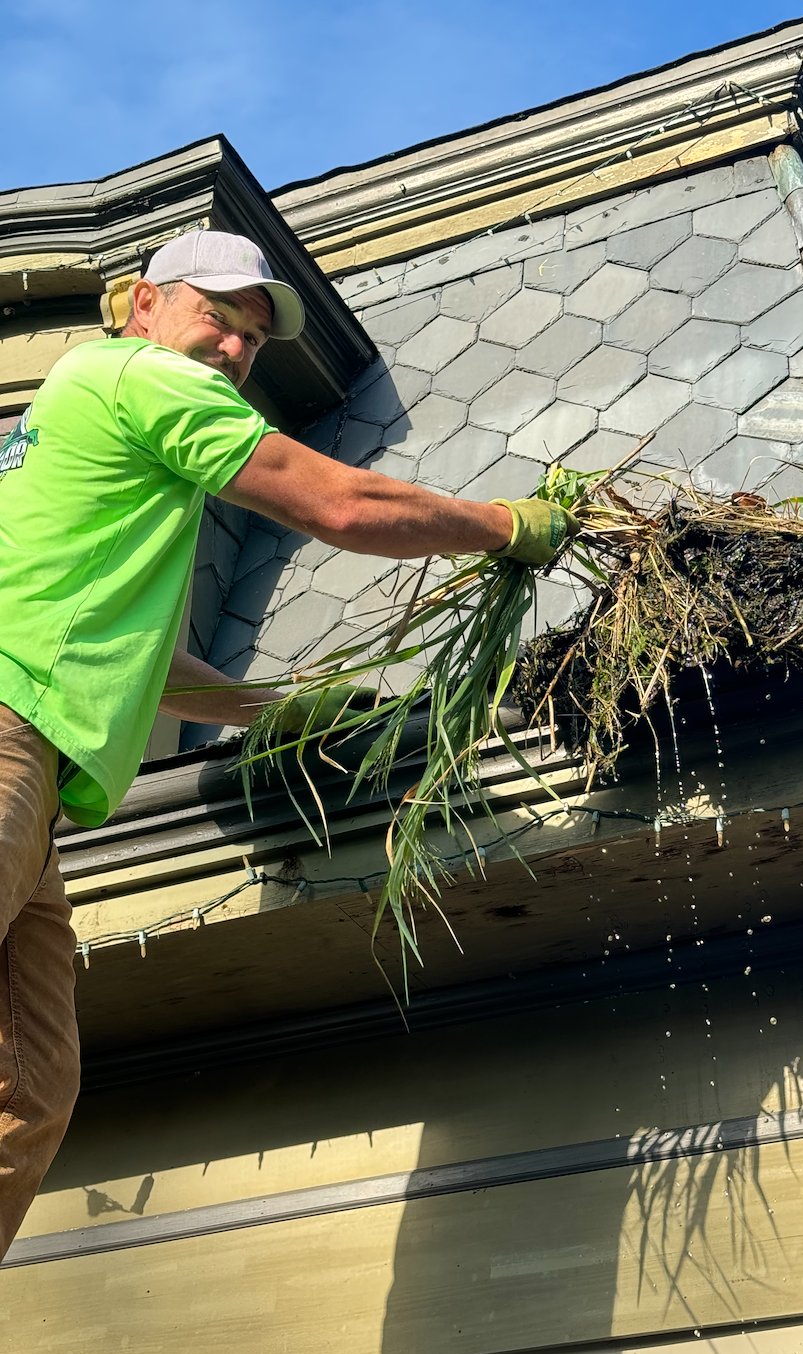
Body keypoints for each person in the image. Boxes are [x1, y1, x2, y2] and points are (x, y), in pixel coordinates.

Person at [0, 230, 576, 1260]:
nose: (231, 348)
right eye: (215, 316)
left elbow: (145, 661)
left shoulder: (92, 425)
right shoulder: (138, 377)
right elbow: (340, 504)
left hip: (41, 783)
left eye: (252, 340)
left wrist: (275, 711)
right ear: (141, 304)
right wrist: (502, 524)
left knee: (31, 1092)